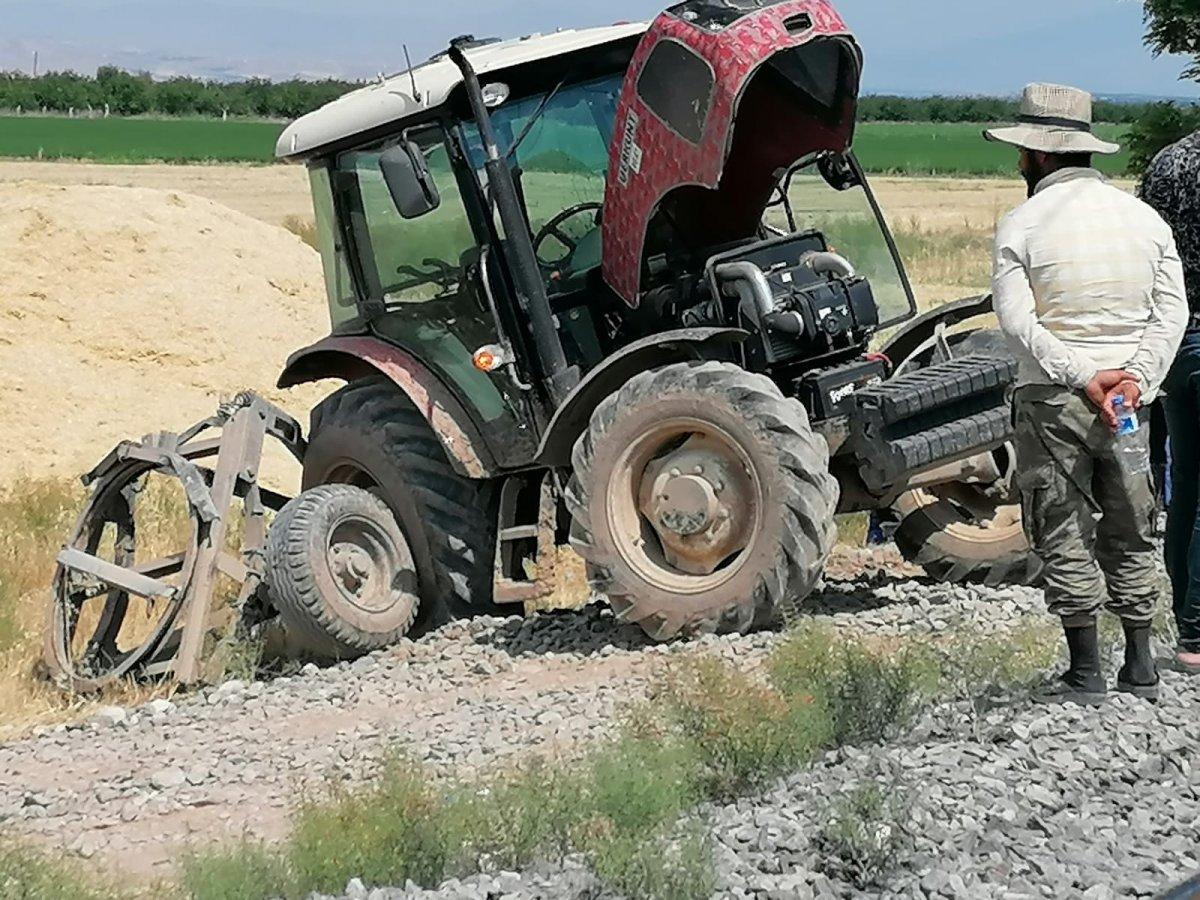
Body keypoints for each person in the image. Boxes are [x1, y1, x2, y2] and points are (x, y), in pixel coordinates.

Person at [985, 83, 1189, 705]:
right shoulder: (1144, 219)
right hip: (1129, 404)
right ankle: (1141, 664)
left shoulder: (1021, 223)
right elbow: (1173, 312)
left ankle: (1084, 671)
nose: (1020, 163)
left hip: (1054, 401)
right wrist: (1136, 378)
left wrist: (1081, 374)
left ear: (1040, 155)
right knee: (1132, 522)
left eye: (1023, 153)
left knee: (1062, 525)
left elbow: (1017, 321)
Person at [1142, 130, 1200, 674]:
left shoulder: (1167, 162)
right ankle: (1198, 634)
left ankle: (1186, 620)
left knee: (1185, 485)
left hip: (1174, 341)